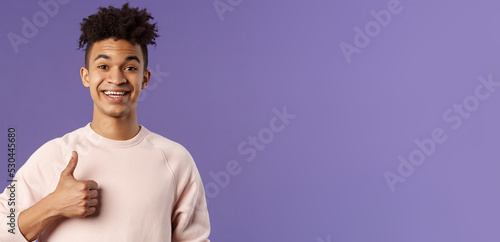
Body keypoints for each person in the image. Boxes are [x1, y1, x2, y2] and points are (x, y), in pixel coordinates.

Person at [0, 3, 210, 241]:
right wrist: (53, 205)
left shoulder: (176, 160)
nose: (116, 78)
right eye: (103, 66)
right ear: (86, 76)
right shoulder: (54, 156)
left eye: (130, 67)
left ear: (145, 78)